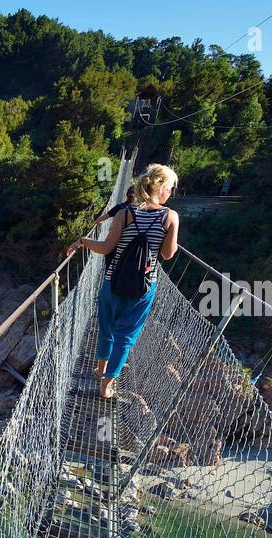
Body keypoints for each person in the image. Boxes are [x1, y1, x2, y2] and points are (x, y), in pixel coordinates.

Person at [67, 163, 179, 398]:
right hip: (144, 287)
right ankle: (107, 386)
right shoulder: (171, 217)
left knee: (106, 327)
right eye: (171, 187)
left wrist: (84, 241)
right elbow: (167, 255)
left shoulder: (124, 213)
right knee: (125, 337)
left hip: (112, 282)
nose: (172, 192)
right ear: (161, 188)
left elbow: (106, 247)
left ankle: (100, 369)